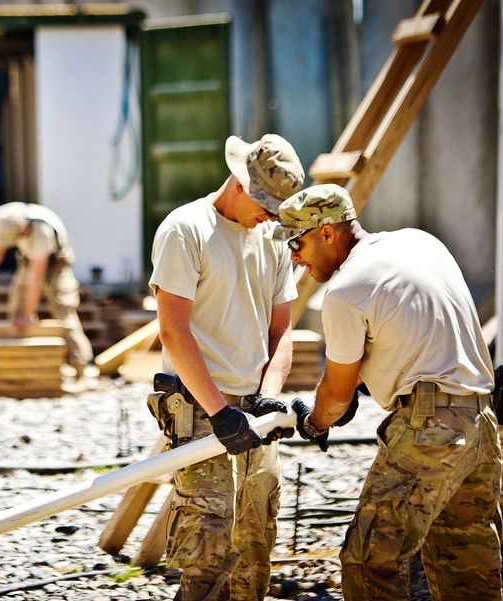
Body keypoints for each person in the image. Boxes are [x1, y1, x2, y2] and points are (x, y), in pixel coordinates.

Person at [271, 183, 503, 600]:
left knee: (368, 560)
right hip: (481, 424)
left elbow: (337, 394)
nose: (294, 256)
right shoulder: (417, 242)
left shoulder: (345, 292)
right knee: (466, 568)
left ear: (327, 232)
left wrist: (314, 422)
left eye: (296, 241)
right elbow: (408, 337)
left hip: (430, 431)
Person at [148, 133, 304, 601]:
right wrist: (218, 413)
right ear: (239, 183)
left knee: (255, 552)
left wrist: (270, 393)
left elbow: (282, 331)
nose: (270, 218)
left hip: (255, 410)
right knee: (210, 554)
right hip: (200, 408)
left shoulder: (272, 238)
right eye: (265, 206)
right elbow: (174, 331)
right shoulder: (186, 230)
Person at [0, 202, 93, 379]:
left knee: (63, 312)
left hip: (57, 264)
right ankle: (22, 365)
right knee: (15, 310)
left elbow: (35, 280)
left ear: (24, 231)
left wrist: (27, 314)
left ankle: (82, 369)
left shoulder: (41, 233)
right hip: (29, 259)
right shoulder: (4, 219)